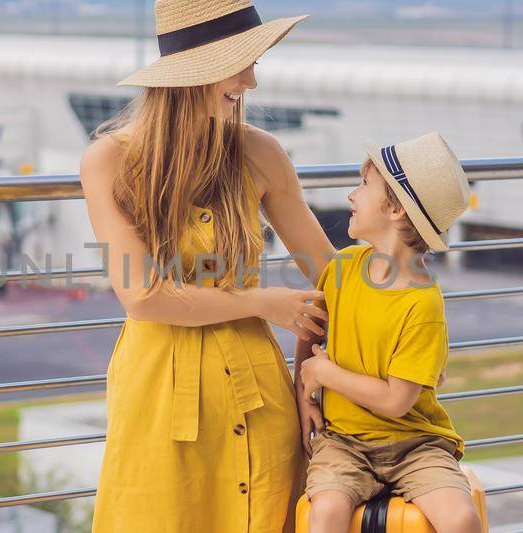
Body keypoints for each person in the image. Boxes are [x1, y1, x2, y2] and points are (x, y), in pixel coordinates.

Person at [77, 1, 337, 531]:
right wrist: (263, 302)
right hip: (158, 402)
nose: (251, 81)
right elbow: (143, 296)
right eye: (239, 63)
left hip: (261, 398)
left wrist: (402, 339)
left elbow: (329, 269)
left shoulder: (262, 153)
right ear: (194, 70)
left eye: (254, 62)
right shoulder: (109, 160)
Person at [295, 133, 483, 533]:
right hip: (344, 442)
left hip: (417, 444)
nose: (351, 195)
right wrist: (304, 394)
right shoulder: (343, 267)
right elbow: (311, 331)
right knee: (325, 512)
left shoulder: (422, 304)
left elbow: (397, 401)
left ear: (396, 208)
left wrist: (323, 374)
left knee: (461, 519)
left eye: (363, 185)